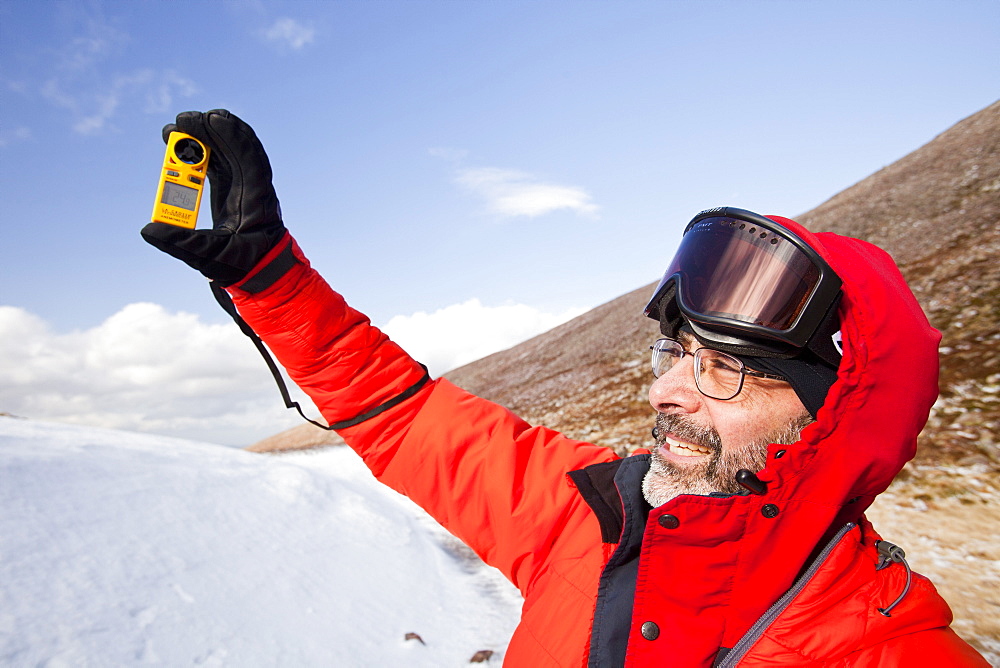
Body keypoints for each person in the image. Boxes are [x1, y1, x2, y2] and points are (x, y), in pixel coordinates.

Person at [142, 110, 988, 667]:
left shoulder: (896, 648)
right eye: (674, 354)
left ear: (831, 418)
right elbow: (405, 416)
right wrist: (271, 277)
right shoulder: (591, 511)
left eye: (725, 368)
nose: (670, 394)